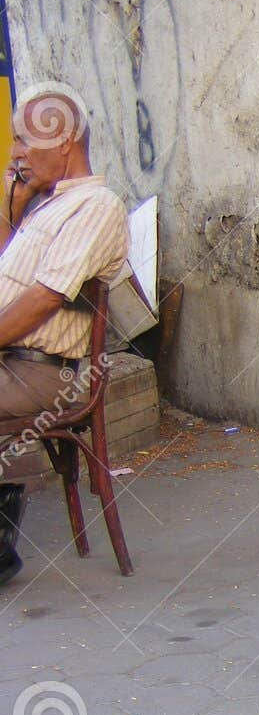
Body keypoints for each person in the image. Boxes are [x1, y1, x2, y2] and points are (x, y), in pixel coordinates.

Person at [0, 84, 130, 587]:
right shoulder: (47, 206)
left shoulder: (95, 206)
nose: (14, 153)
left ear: (65, 142)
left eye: (23, 141)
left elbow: (44, 300)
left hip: (36, 370)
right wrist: (18, 198)